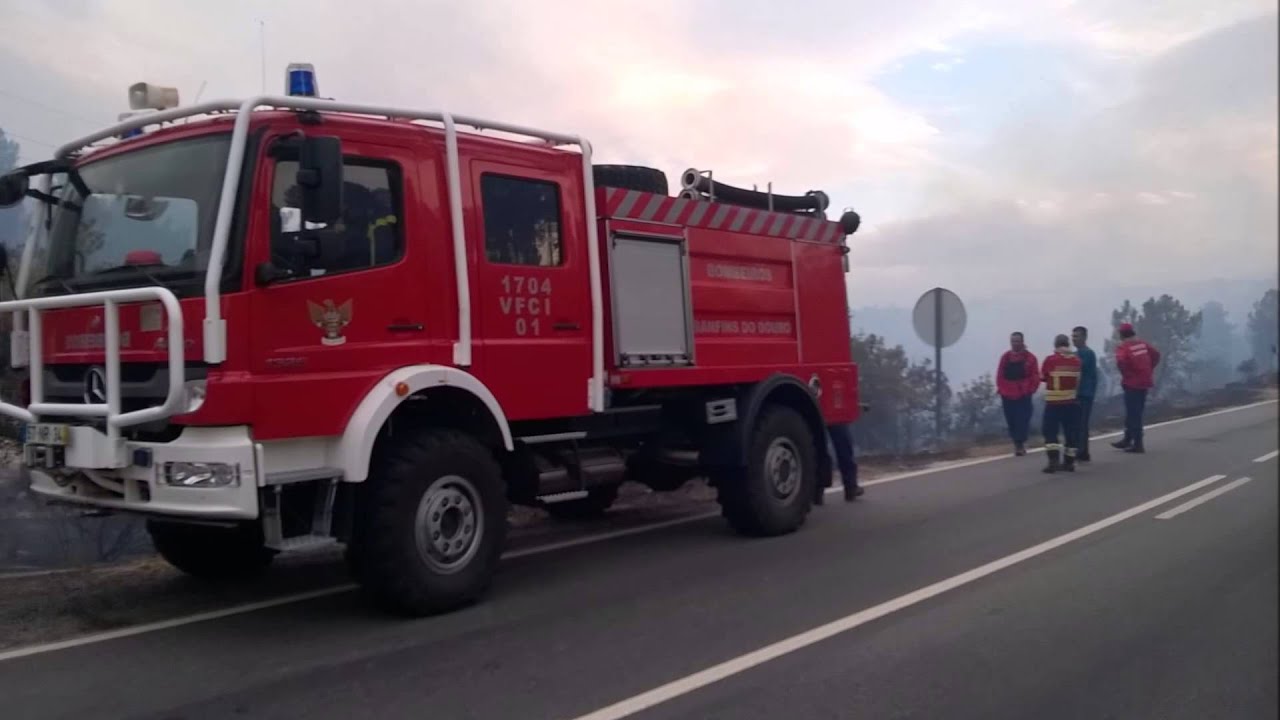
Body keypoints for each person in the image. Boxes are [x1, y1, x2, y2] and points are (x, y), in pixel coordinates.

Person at [1112, 322, 1161, 453]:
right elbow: (1156, 355)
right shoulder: (1143, 344)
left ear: (1121, 335)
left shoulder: (1124, 348)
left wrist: (1126, 374)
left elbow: (1121, 362)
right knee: (1135, 411)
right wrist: (1149, 369)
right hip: (1144, 382)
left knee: (1134, 413)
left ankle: (1138, 444)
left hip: (1132, 383)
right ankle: (1128, 439)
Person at [1040, 334, 1083, 474]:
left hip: (1054, 402)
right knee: (1071, 433)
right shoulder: (1076, 361)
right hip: (1071, 402)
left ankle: (1053, 462)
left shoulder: (1050, 360)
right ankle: (1069, 463)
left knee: (1050, 432)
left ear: (1055, 345)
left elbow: (1043, 377)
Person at [996, 332, 1040, 455]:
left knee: (1023, 419)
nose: (1014, 343)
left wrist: (1030, 389)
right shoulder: (1005, 357)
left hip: (1023, 394)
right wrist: (1002, 389)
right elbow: (1000, 375)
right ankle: (1017, 443)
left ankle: (1020, 444)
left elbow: (1035, 375)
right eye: (1012, 341)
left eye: (1017, 341)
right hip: (1007, 393)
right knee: (1011, 420)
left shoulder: (1030, 358)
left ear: (1022, 342)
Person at [1071, 326, 1098, 462]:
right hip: (1079, 393)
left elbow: (1077, 369)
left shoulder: (1086, 353)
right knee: (1080, 423)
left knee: (1081, 424)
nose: (1074, 339)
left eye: (1076, 336)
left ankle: (1081, 451)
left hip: (1084, 393)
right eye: (1073, 336)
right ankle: (1083, 451)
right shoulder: (1077, 353)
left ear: (1084, 337)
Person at [826, 422, 864, 502]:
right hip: (833, 413)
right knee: (843, 443)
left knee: (817, 443)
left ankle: (817, 490)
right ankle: (850, 486)